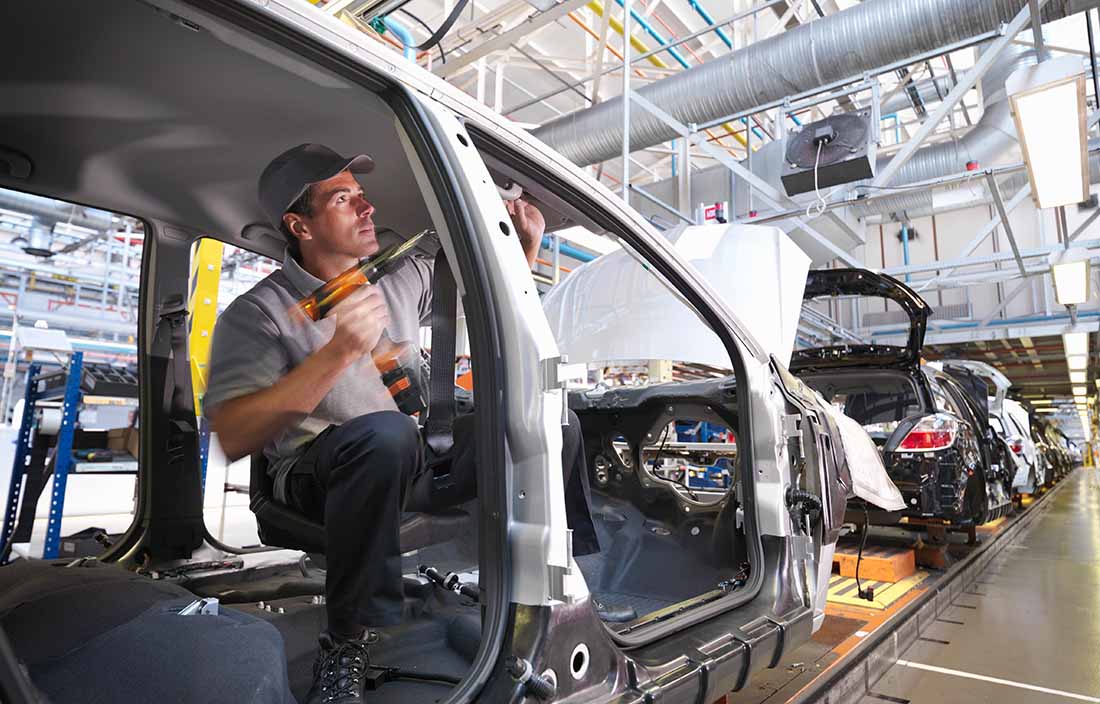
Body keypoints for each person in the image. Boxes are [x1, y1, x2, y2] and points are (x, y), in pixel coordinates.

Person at [203, 144, 600, 704]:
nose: (366, 209)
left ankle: (562, 585)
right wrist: (337, 353)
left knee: (552, 423)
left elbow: (482, 299)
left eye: (362, 197)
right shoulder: (258, 314)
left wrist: (524, 252)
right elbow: (234, 433)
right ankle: (345, 644)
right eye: (343, 200)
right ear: (300, 225)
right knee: (381, 434)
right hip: (318, 475)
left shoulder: (399, 278)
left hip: (406, 454)